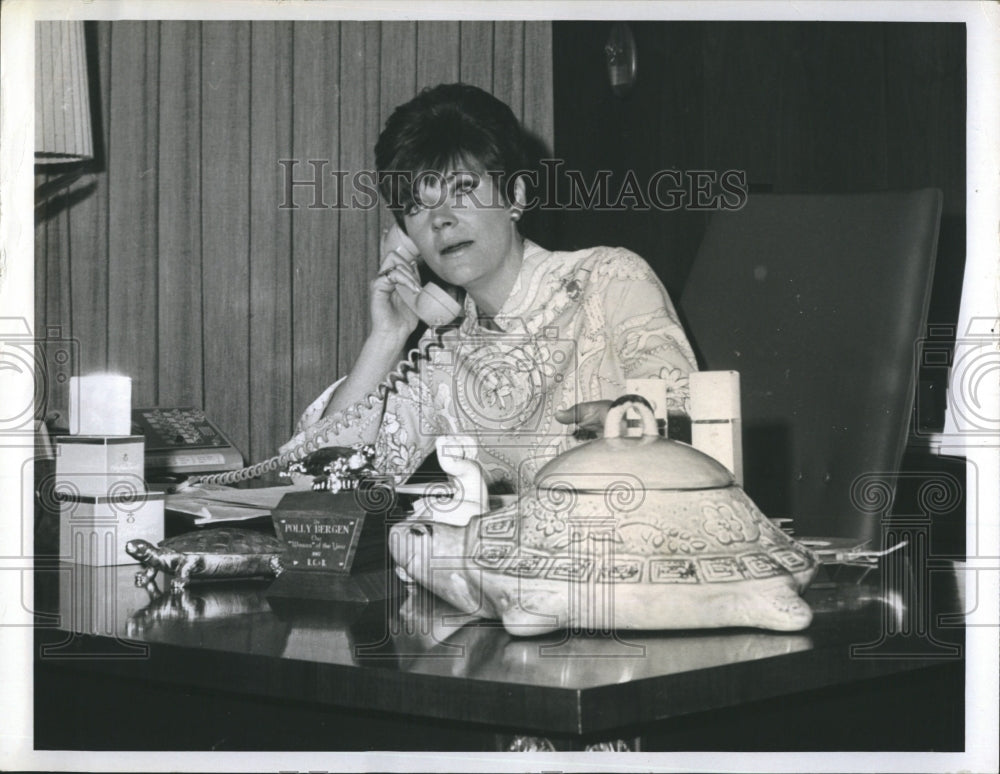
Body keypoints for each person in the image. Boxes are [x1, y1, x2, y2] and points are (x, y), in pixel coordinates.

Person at [280, 83, 697, 494]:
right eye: (416, 207)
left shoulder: (610, 280)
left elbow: (693, 430)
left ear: (514, 195)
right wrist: (387, 339)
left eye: (462, 190)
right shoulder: (441, 355)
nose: (440, 220)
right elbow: (313, 482)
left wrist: (630, 428)